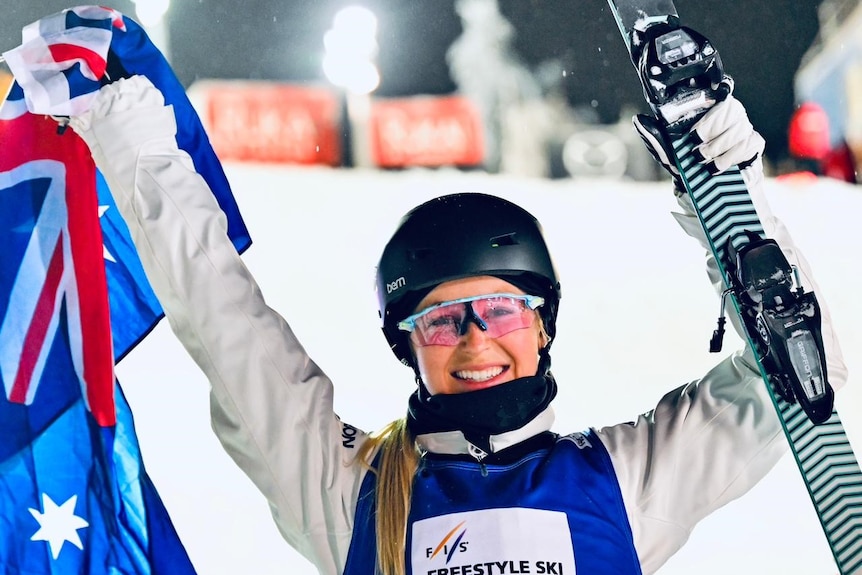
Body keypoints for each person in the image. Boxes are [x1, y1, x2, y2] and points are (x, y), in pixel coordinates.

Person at [64, 74, 845, 575]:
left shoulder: (627, 479)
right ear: (407, 343)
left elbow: (798, 376)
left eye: (502, 307)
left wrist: (732, 200)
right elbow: (224, 321)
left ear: (543, 323)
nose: (476, 338)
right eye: (442, 319)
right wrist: (137, 149)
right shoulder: (349, 495)